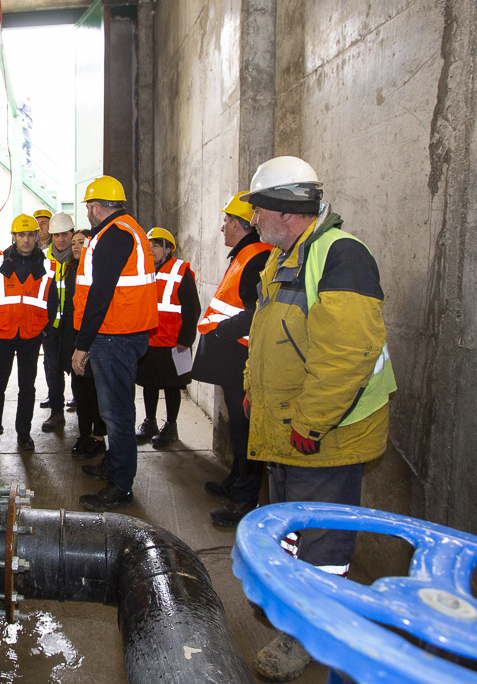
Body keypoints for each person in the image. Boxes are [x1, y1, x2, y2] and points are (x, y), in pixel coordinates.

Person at [241, 156, 396, 681]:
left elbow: (346, 357)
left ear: (285, 211)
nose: (253, 219)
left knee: (323, 541)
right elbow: (266, 335)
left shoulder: (340, 255)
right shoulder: (285, 257)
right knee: (291, 525)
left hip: (327, 431)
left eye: (259, 210)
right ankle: (292, 605)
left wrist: (310, 424)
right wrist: (254, 392)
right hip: (289, 422)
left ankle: (309, 633)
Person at [71, 176, 158, 511]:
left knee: (116, 413)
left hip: (115, 336)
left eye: (88, 207)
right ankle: (113, 465)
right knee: (114, 410)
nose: (88, 213)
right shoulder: (126, 229)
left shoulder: (114, 235)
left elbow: (101, 294)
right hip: (122, 333)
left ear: (95, 207)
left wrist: (83, 344)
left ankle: (120, 485)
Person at [191, 192, 273, 526]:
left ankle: (245, 500)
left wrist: (221, 331)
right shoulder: (245, 253)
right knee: (239, 428)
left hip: (243, 359)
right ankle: (236, 481)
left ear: (240, 224)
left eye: (226, 221)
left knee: (246, 429)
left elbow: (256, 312)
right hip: (234, 358)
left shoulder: (257, 257)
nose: (222, 227)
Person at [0, 214, 54, 452]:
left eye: (31, 235)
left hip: (31, 336)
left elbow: (52, 301)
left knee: (27, 387)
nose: (26, 240)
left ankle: (24, 433)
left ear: (37, 237)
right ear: (13, 237)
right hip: (2, 335)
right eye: (21, 235)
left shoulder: (46, 266)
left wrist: (44, 329)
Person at [134, 227, 200, 448]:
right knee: (148, 384)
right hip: (149, 340)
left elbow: (192, 308)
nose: (151, 249)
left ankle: (171, 427)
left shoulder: (181, 270)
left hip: (174, 343)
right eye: (149, 245)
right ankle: (150, 423)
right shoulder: (143, 269)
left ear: (168, 249)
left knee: (173, 385)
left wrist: (186, 340)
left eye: (156, 245)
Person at [54, 229, 106, 458]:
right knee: (80, 389)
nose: (76, 246)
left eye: (81, 242)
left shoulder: (98, 269)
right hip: (72, 335)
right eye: (74, 243)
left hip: (92, 337)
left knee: (95, 390)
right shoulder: (71, 269)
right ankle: (84, 434)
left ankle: (98, 437)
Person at [39, 211, 74, 432]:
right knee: (53, 370)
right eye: (57, 235)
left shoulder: (80, 258)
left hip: (73, 326)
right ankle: (57, 412)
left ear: (72, 234)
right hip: (50, 327)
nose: (61, 239)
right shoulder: (43, 258)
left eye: (65, 234)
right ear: (51, 236)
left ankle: (81, 406)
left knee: (78, 369)